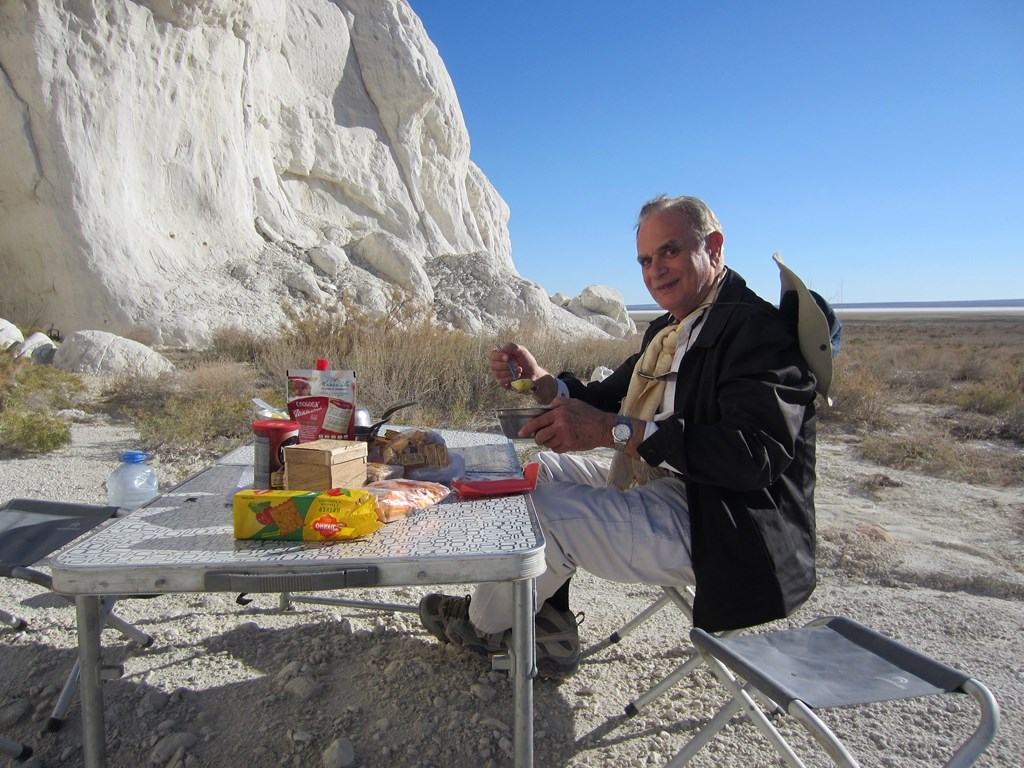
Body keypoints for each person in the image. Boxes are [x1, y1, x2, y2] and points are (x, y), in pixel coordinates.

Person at [419, 194, 820, 680]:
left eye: (669, 252)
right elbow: (608, 398)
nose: (655, 271)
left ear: (713, 247)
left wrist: (617, 432)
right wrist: (543, 381)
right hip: (666, 486)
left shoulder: (755, 332)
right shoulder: (675, 330)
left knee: (546, 515)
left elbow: (751, 457)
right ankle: (547, 620)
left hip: (725, 523)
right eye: (646, 260)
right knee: (528, 474)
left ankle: (482, 623)